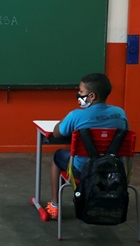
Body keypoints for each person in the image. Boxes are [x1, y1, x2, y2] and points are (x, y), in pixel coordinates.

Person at [44, 73, 128, 220]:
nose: (78, 95)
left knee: (58, 156)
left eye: (81, 92)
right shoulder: (120, 113)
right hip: (114, 170)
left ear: (92, 96)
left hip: (83, 169)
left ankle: (55, 205)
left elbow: (57, 133)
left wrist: (66, 117)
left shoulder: (76, 115)